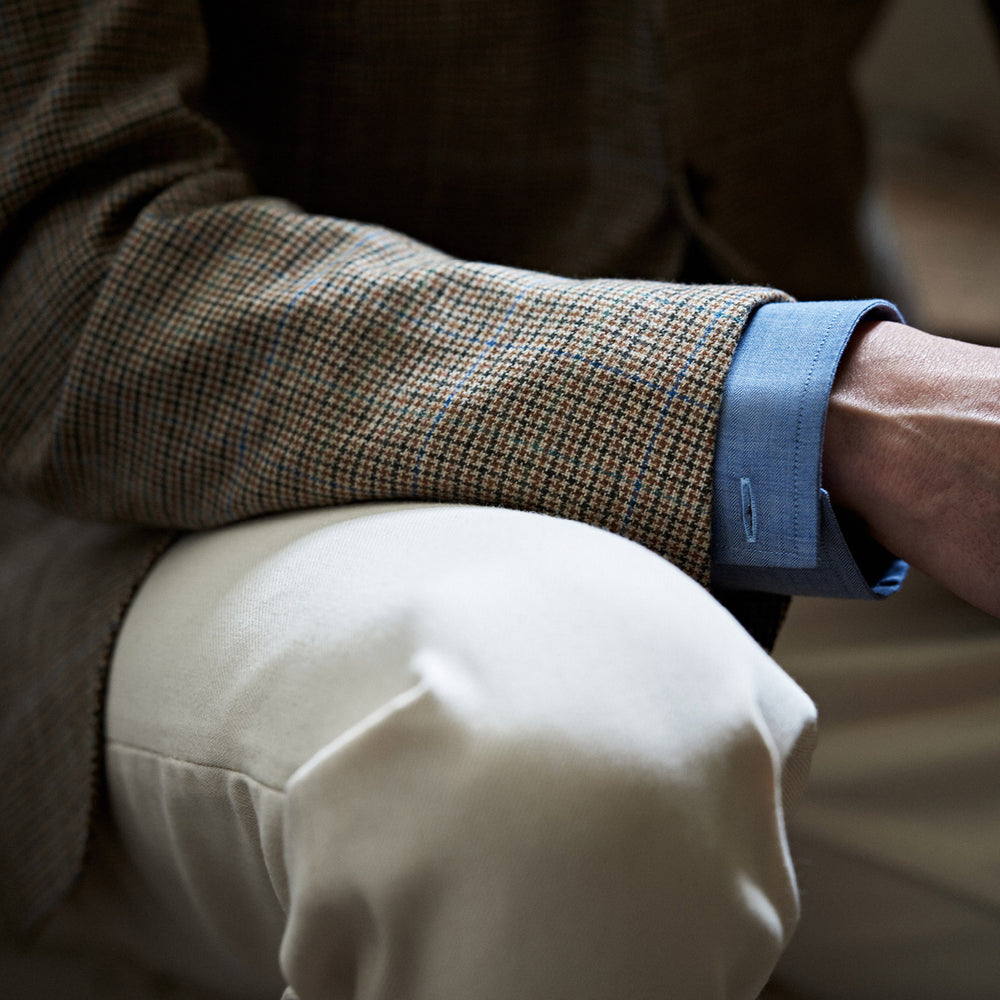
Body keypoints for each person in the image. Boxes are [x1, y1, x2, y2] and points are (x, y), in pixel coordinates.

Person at [1, 0, 997, 997]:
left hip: (835, 549)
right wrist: (836, 408)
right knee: (574, 770)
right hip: (189, 505)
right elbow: (57, 278)